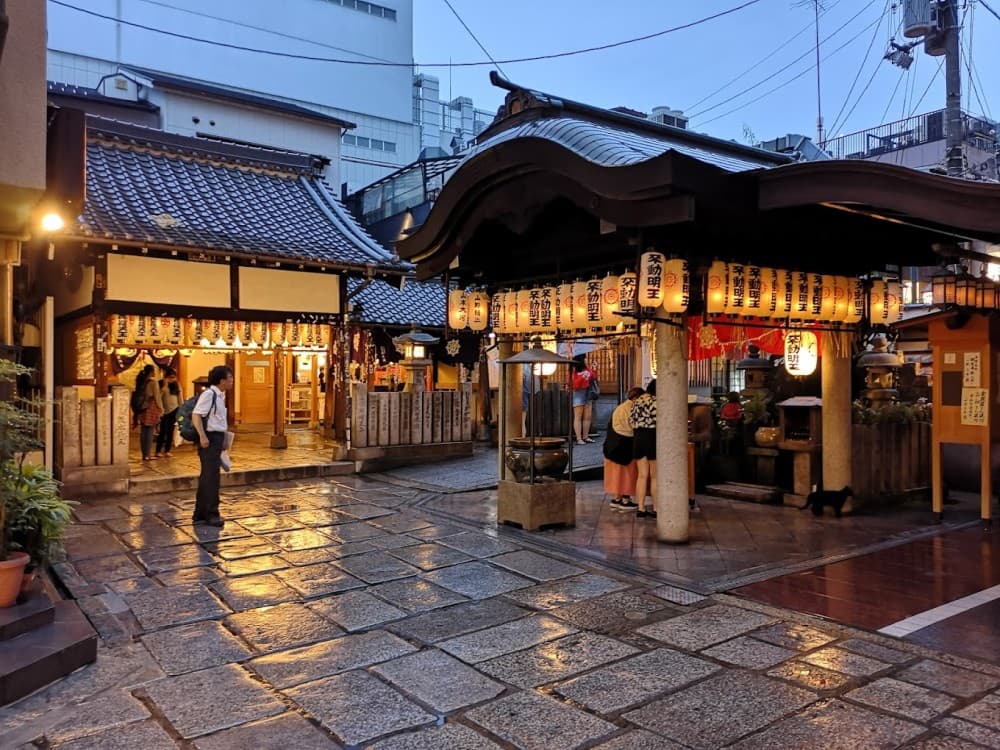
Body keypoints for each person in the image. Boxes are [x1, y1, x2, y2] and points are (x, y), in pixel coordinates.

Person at [191, 364, 233, 526]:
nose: (232, 381)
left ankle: (200, 513)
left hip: (216, 438)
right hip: (209, 438)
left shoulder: (219, 396)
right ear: (222, 380)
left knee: (207, 477)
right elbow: (196, 415)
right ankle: (211, 513)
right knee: (211, 477)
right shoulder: (210, 394)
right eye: (229, 378)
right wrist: (202, 436)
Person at [603, 386, 644, 511]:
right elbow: (636, 428)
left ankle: (617, 498)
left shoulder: (620, 407)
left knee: (616, 474)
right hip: (625, 446)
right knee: (628, 474)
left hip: (611, 446)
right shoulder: (634, 408)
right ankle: (626, 500)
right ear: (637, 398)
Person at [629, 378, 658, 518]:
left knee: (642, 475)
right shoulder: (656, 401)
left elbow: (631, 420)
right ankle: (656, 507)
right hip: (653, 437)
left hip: (638, 438)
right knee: (654, 476)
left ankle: (640, 508)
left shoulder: (637, 401)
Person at [135, 364, 164, 462]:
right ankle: (147, 454)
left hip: (141, 408)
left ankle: (144, 454)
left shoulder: (141, 381)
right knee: (149, 432)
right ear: (151, 372)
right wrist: (161, 408)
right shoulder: (153, 382)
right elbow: (157, 397)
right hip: (150, 407)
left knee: (143, 432)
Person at [155, 367, 182, 458]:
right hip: (163, 410)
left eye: (173, 377)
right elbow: (158, 397)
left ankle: (167, 450)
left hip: (174, 410)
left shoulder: (177, 385)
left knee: (170, 431)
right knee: (162, 431)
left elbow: (180, 398)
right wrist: (164, 386)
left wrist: (181, 410)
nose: (172, 379)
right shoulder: (160, 384)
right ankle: (158, 450)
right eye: (170, 377)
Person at [571, 356, 598, 445]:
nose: (586, 360)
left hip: (588, 393)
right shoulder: (573, 371)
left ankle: (585, 436)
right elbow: (575, 385)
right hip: (578, 393)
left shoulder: (587, 369)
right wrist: (583, 376)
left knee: (587, 417)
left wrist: (594, 369)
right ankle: (579, 439)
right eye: (585, 358)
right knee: (578, 416)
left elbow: (593, 378)